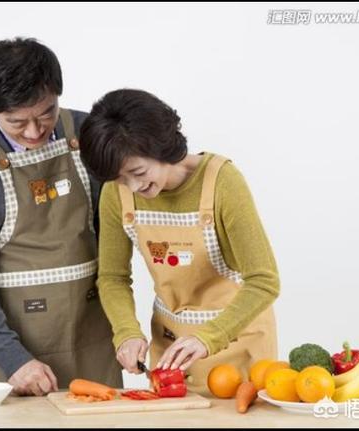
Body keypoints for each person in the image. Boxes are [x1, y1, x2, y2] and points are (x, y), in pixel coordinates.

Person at [0, 37, 122, 396]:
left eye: (46, 114)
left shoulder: (88, 135)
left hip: (93, 336)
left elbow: (119, 233)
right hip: (16, 348)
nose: (35, 131)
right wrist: (12, 359)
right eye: (17, 122)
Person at [78, 89, 279, 395]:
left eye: (138, 172)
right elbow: (112, 277)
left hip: (238, 350)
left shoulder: (223, 183)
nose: (133, 186)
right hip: (170, 355)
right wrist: (126, 333)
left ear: (161, 147)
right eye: (120, 179)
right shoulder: (116, 194)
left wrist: (207, 338)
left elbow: (264, 281)